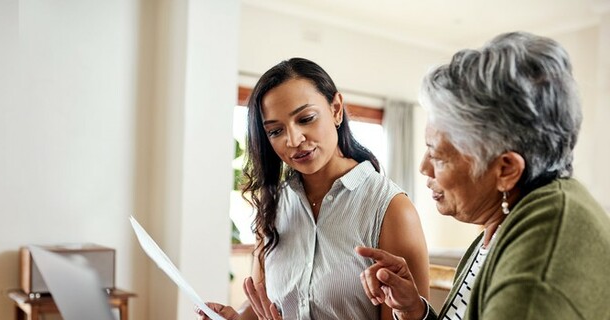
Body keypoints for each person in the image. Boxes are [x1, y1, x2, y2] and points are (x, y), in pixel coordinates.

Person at [356, 31, 610, 320]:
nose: (424, 167)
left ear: (506, 170)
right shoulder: (508, 219)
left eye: (437, 154)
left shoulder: (536, 271)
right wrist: (414, 309)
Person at [196, 58, 429, 320]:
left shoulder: (391, 209)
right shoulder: (274, 206)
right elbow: (264, 304)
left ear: (336, 109)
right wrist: (236, 317)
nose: (293, 140)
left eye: (306, 118)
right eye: (275, 131)